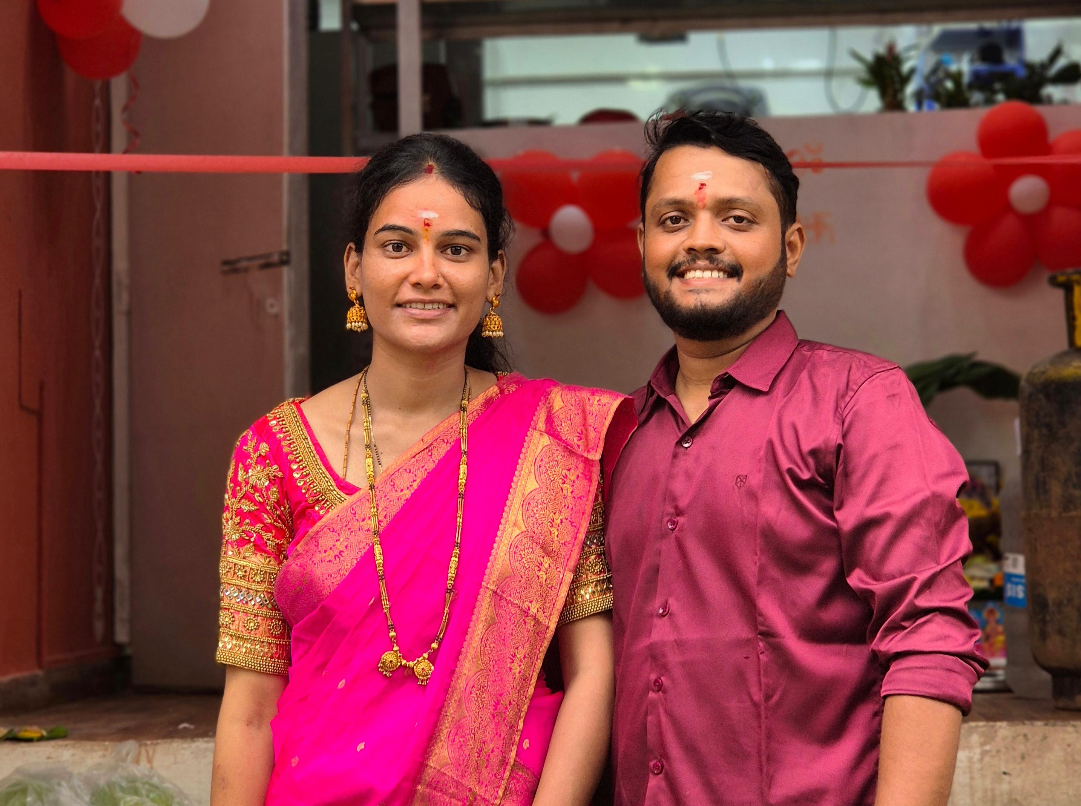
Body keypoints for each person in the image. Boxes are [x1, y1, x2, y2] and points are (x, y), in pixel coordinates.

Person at [210, 133, 634, 806]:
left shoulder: (555, 441)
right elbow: (249, 707)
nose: (426, 272)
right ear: (355, 269)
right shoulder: (271, 454)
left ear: (494, 275)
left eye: (457, 249)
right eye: (397, 245)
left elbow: (592, 672)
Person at [606, 110, 987, 806]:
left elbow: (928, 638)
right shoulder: (617, 433)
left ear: (793, 247)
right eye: (672, 221)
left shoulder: (859, 403)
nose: (702, 241)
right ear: (641, 243)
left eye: (737, 219)